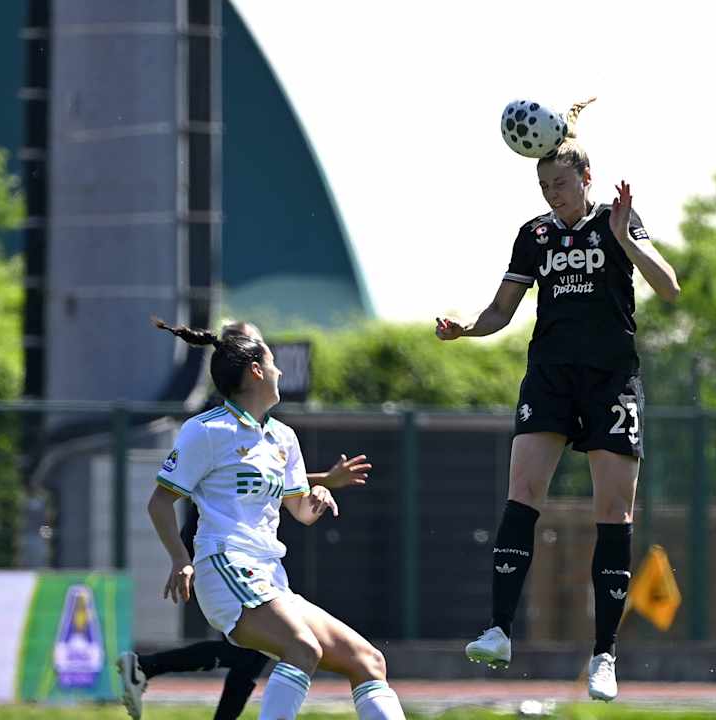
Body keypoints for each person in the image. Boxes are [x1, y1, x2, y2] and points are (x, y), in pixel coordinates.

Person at [435, 98, 680, 702]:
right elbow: (500, 311)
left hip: (610, 382)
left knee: (613, 513)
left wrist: (628, 239)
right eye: (544, 186)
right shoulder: (534, 235)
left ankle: (603, 655)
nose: (553, 195)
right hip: (548, 378)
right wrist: (466, 327)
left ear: (586, 179)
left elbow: (670, 289)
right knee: (523, 492)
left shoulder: (616, 222)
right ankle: (497, 629)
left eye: (562, 184)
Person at [143, 317, 404, 720]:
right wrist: (181, 559)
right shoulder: (208, 431)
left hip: (270, 576)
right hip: (226, 566)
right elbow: (159, 502)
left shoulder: (283, 437)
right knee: (303, 649)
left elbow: (301, 511)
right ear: (256, 371)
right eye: (274, 362)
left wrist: (318, 494)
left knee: (368, 661)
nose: (281, 371)